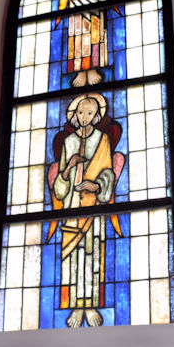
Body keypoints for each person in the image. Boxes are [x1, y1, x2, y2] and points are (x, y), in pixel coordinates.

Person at [51, 93, 116, 327]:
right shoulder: (69, 142)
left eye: (89, 113)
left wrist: (95, 186)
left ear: (97, 116)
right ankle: (75, 306)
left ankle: (90, 305)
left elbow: (108, 174)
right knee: (71, 259)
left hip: (93, 209)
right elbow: (59, 189)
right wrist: (68, 168)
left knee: (93, 255)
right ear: (75, 115)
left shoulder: (103, 140)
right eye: (81, 112)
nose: (85, 117)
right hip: (71, 209)